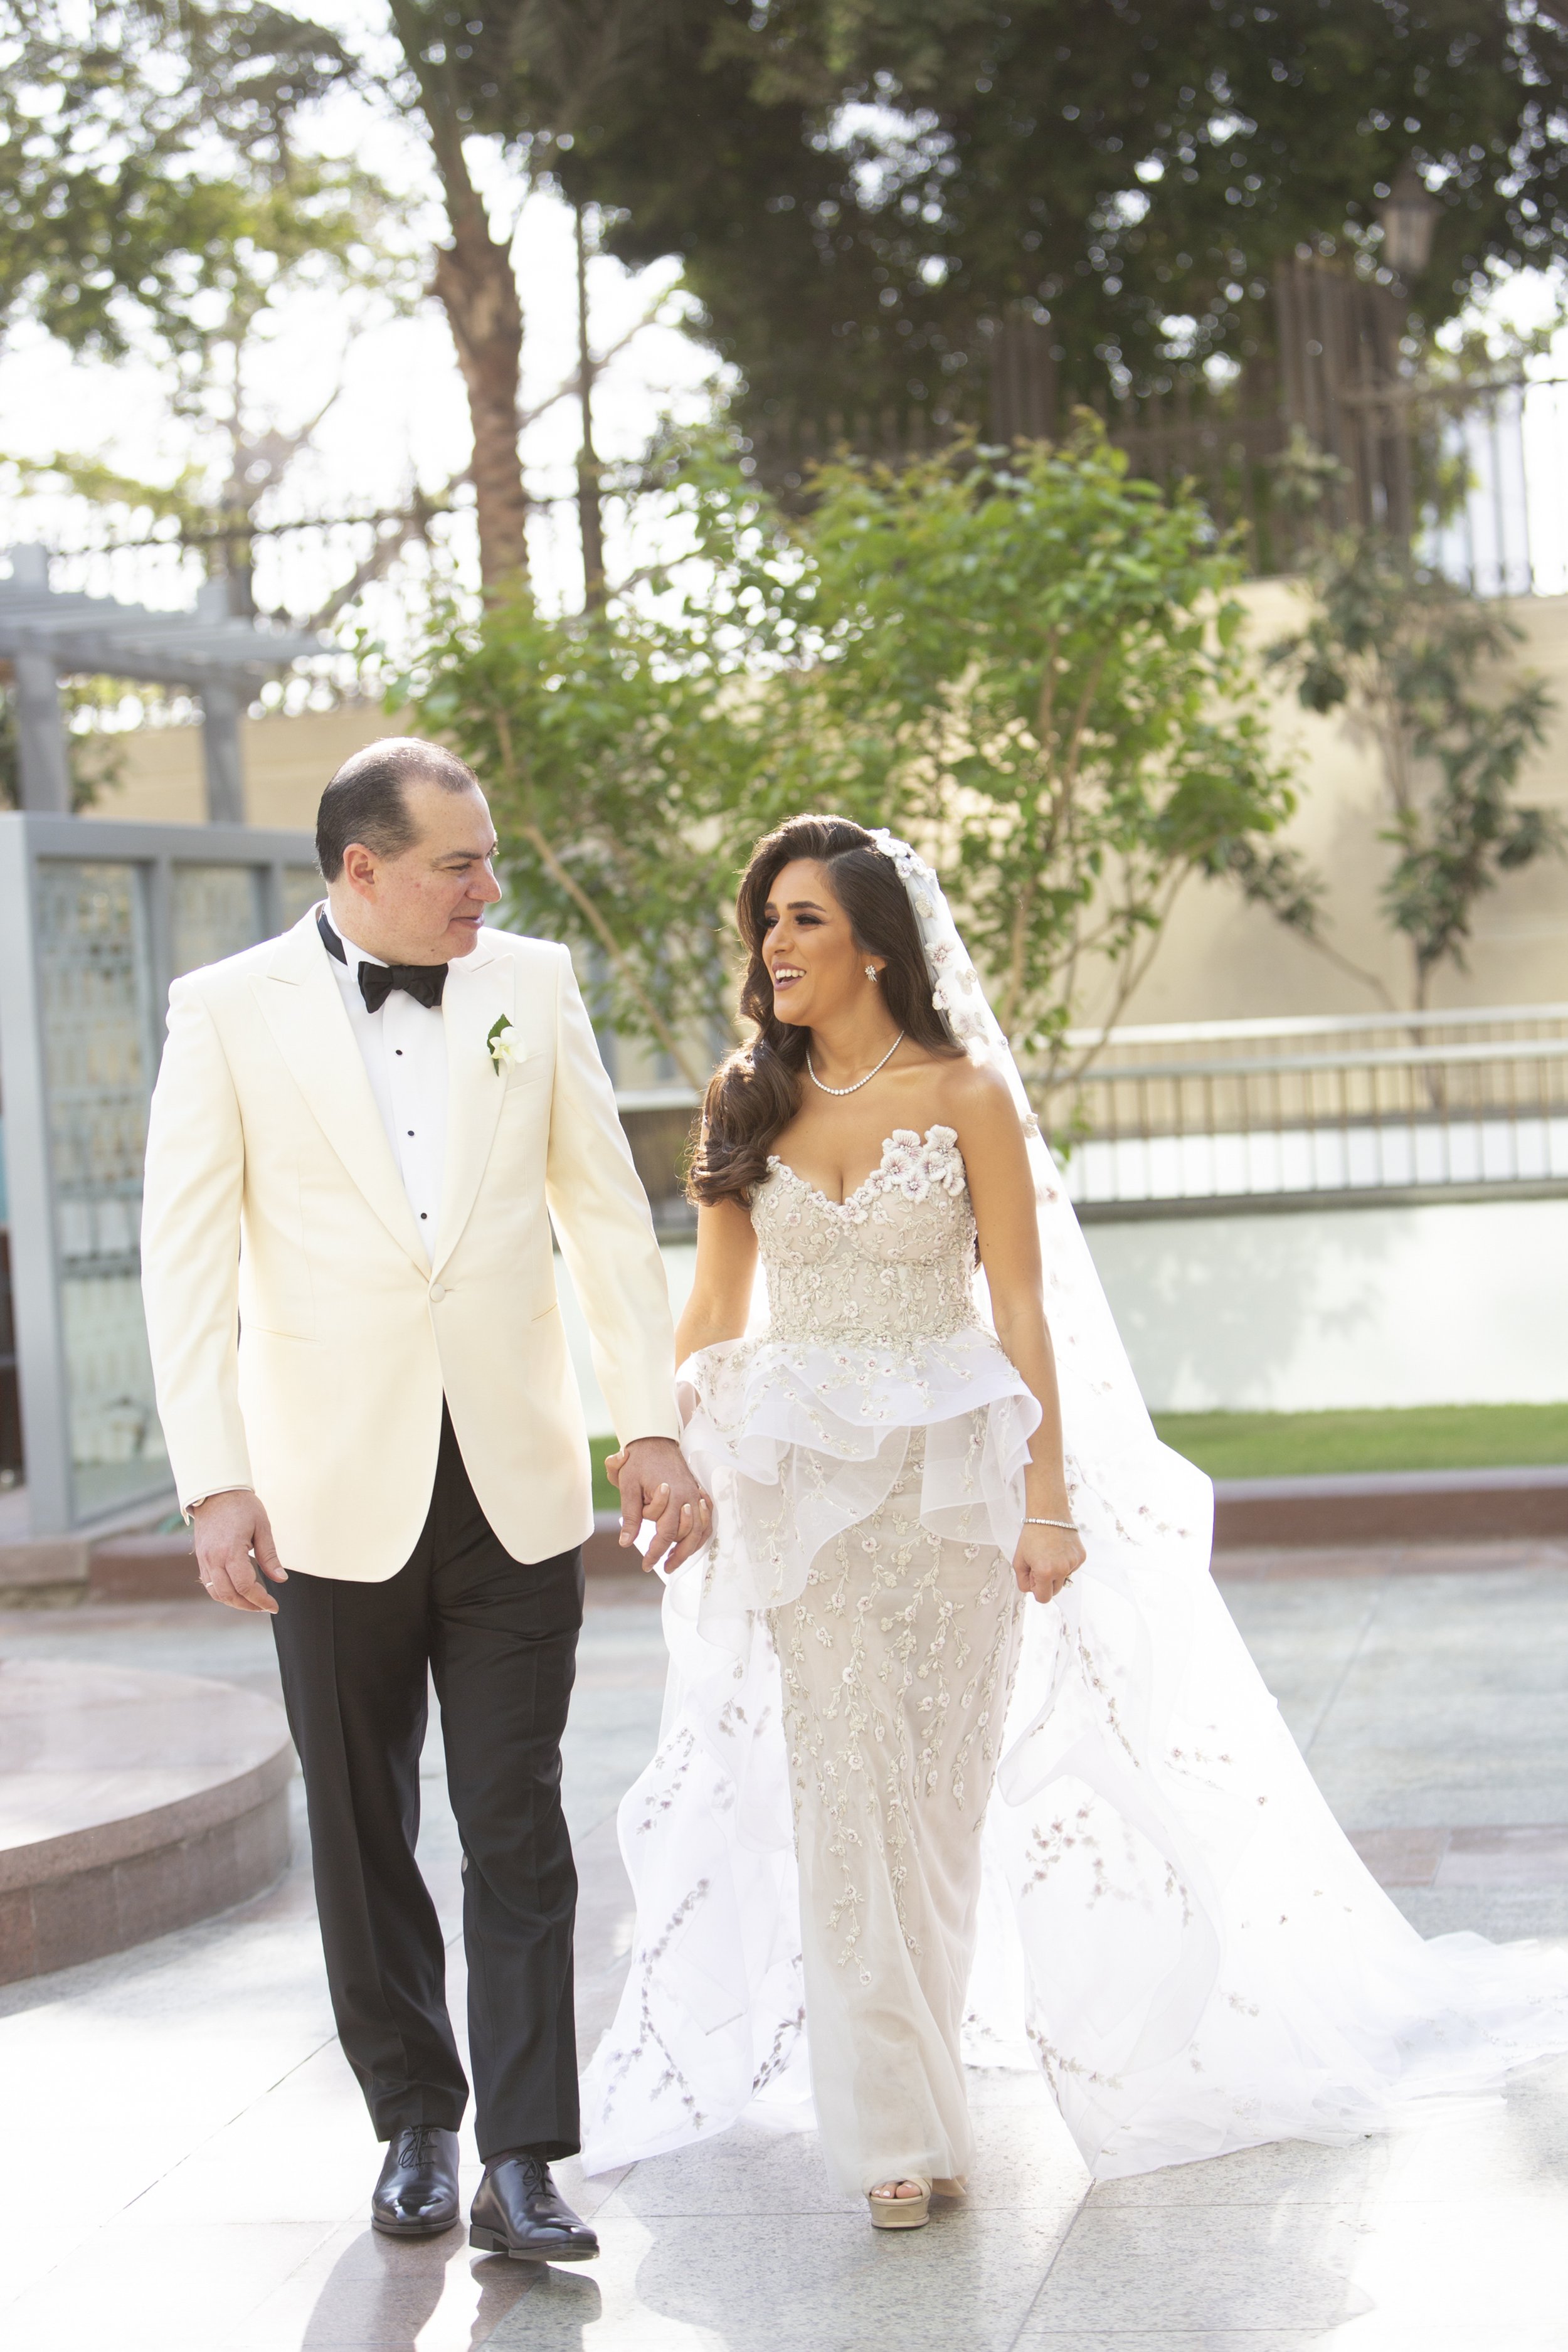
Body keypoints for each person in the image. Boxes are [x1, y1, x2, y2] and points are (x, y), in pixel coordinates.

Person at [581, 813, 1568, 2223]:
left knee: (930, 1810)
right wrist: (663, 1439)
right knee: (842, 1802)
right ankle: (893, 2140)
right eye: (766, 922)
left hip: (952, 1500)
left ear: (871, 942)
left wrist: (1047, 1503)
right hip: (800, 1503)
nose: (772, 945)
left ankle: (917, 2092)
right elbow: (710, 1310)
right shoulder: (747, 1098)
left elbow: (1022, 1305)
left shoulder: (964, 1092)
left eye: (800, 919)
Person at [140, 738, 708, 2261]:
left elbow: (601, 1211)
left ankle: (526, 2157)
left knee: (513, 1815)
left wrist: (643, 1425)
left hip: (513, 1479)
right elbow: (183, 1263)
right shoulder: (224, 1014)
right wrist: (216, 1481)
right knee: (362, 1820)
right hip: (325, 1489)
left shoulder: (533, 981)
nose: (488, 886)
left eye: (489, 858)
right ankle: (414, 2117)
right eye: (458, 863)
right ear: (361, 870)